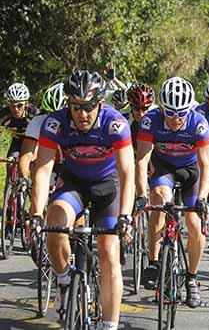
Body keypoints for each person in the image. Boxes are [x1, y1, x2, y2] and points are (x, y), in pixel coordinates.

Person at [30, 70, 135, 330]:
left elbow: (127, 172)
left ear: (100, 103)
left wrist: (126, 216)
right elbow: (43, 169)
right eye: (75, 107)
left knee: (109, 253)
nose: (82, 114)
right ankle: (64, 281)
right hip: (74, 183)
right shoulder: (56, 123)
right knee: (54, 220)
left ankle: (109, 325)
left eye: (88, 107)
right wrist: (35, 214)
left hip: (107, 186)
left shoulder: (115, 123)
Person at [135, 77, 209, 308]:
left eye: (181, 113)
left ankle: (192, 278)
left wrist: (203, 199)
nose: (176, 119)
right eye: (170, 113)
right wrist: (141, 194)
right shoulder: (150, 120)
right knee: (159, 199)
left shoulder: (198, 123)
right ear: (161, 108)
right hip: (164, 167)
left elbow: (206, 164)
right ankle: (155, 262)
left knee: (194, 222)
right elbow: (142, 160)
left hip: (191, 171)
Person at [19, 83, 66, 244]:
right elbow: (26, 154)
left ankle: (79, 254)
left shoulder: (77, 120)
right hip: (50, 163)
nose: (52, 121)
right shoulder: (37, 121)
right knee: (37, 180)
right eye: (49, 114)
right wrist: (24, 178)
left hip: (72, 163)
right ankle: (35, 221)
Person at [125, 83, 155, 151]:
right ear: (130, 106)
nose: (141, 114)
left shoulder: (157, 116)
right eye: (136, 108)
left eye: (144, 109)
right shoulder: (124, 121)